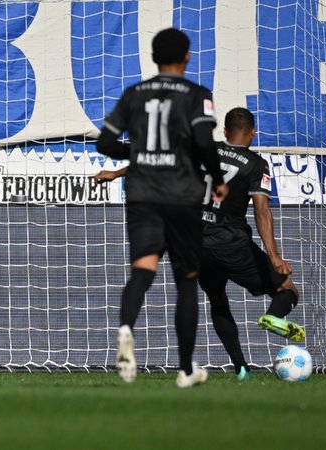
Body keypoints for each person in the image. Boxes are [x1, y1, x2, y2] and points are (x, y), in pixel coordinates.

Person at [95, 107, 305, 382]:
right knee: (286, 288)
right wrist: (274, 256)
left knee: (217, 299)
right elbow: (262, 210)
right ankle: (274, 316)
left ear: (226, 131)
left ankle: (241, 368)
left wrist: (116, 173)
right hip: (231, 244)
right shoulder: (255, 163)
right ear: (252, 134)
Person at [95, 28, 228, 388]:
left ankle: (125, 328)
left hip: (141, 195)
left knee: (143, 270)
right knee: (186, 280)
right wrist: (218, 178)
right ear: (187, 57)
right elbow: (204, 142)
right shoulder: (197, 95)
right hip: (181, 195)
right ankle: (185, 370)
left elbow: (105, 142)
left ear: (154, 58)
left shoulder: (134, 94)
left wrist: (134, 154)